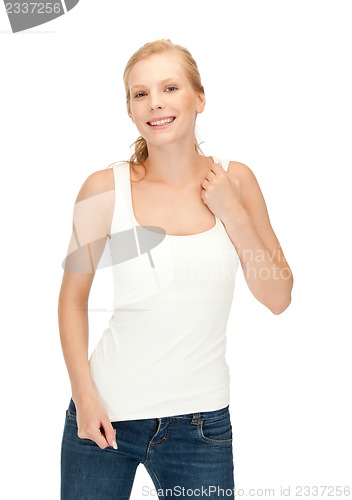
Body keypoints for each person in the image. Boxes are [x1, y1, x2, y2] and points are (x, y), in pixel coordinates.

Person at [58, 39, 293, 499]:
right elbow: (71, 298)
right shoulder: (104, 188)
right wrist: (85, 399)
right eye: (140, 93)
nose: (156, 103)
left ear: (199, 97)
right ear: (129, 108)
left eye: (170, 87)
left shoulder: (236, 180)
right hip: (104, 417)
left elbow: (279, 297)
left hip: (200, 428)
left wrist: (234, 214)